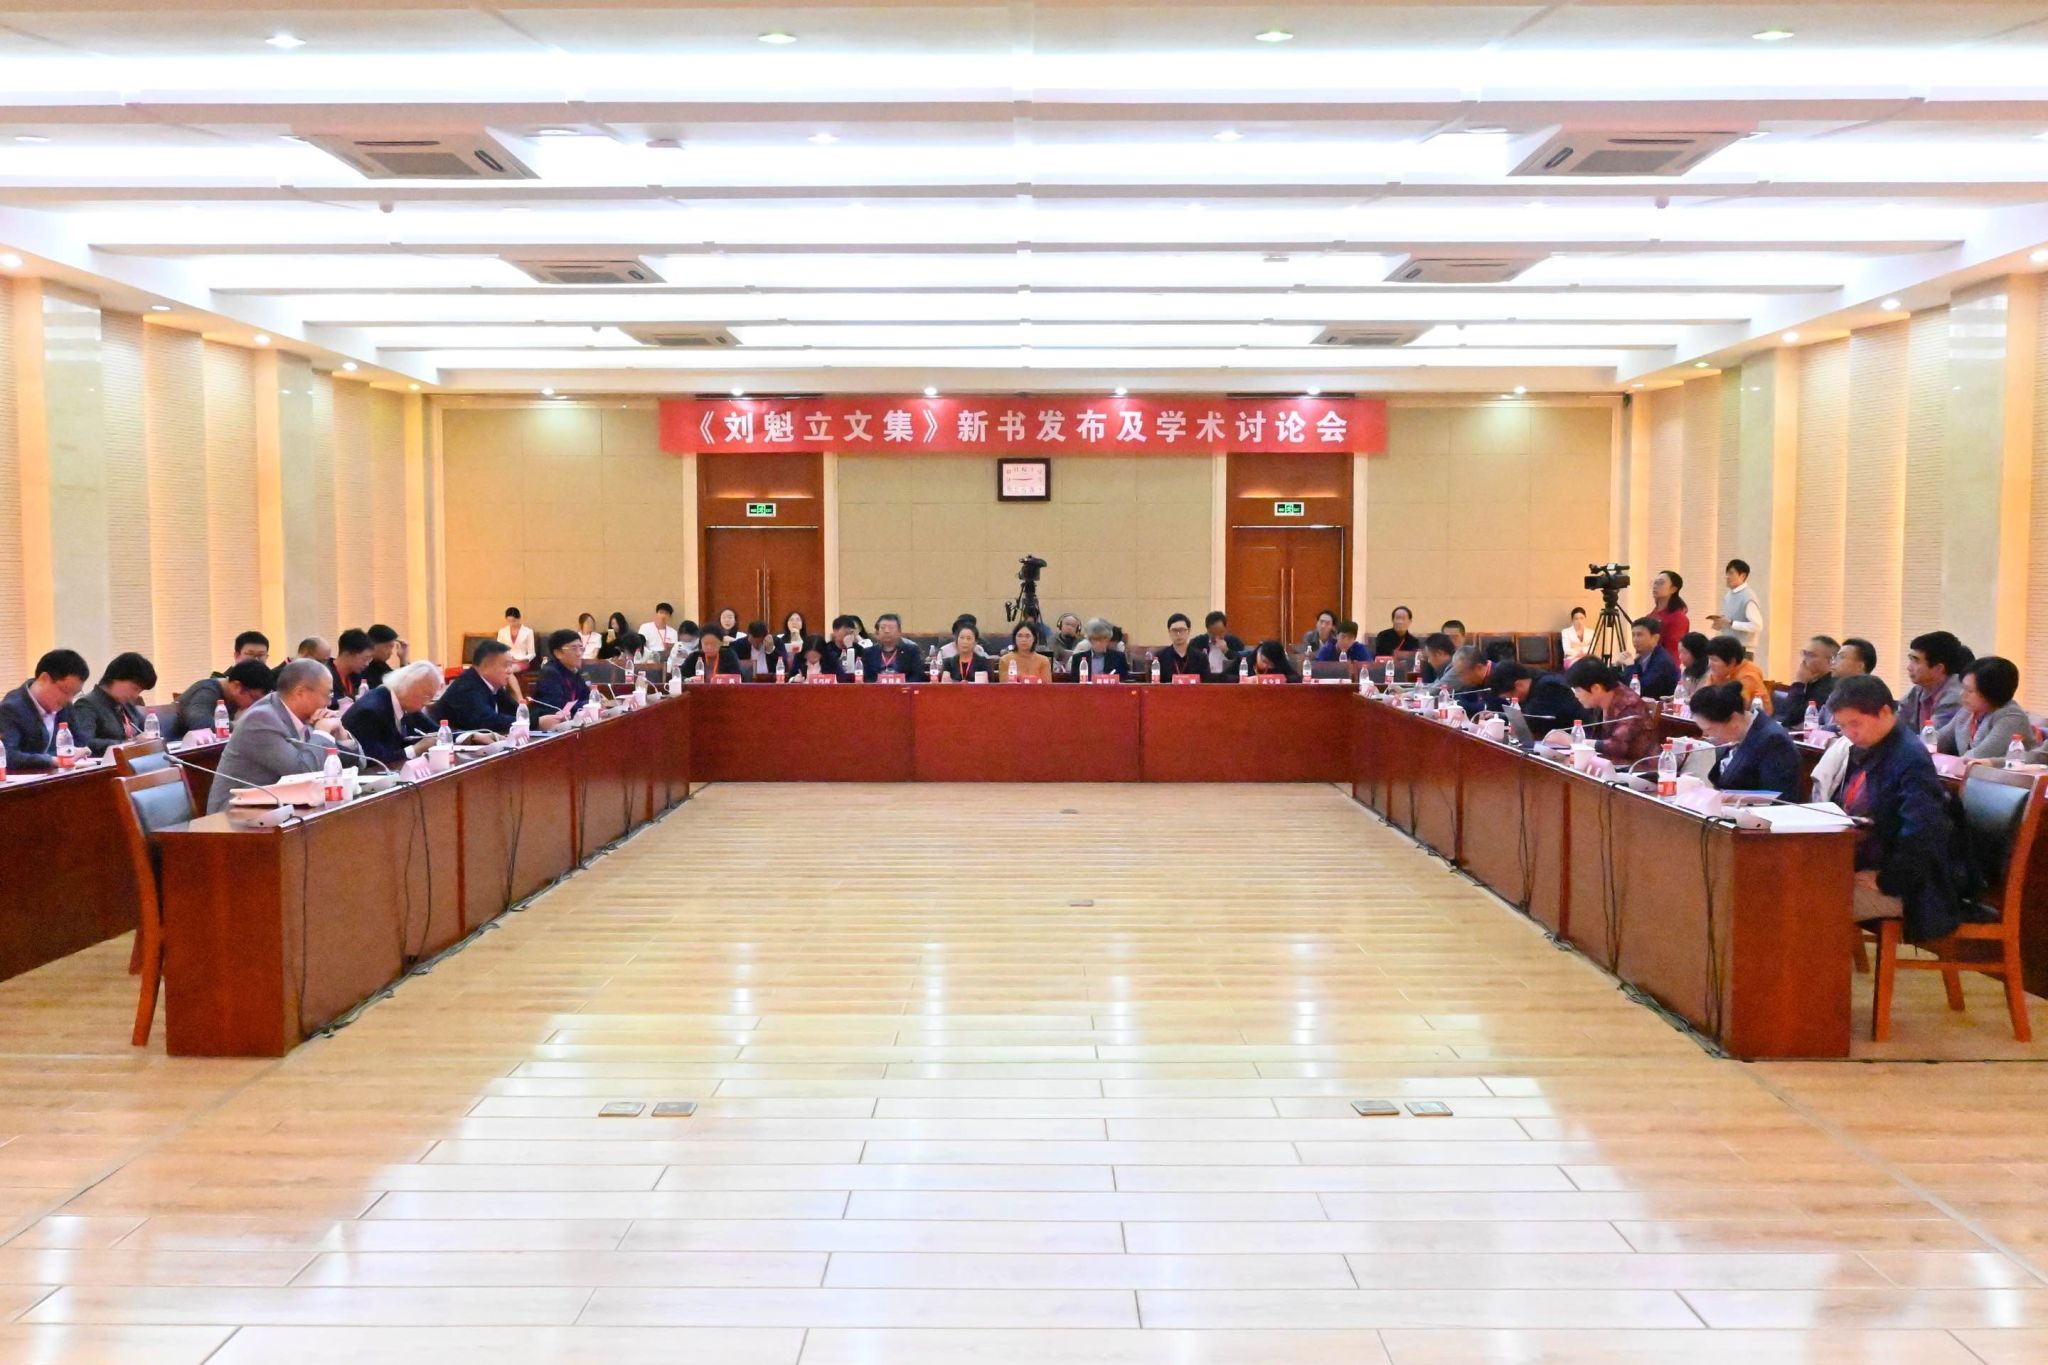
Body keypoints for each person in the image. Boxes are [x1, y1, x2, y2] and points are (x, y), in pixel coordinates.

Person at [1830, 674, 1973, 940]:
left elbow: (1924, 832)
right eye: (1842, 726)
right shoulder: (1873, 748)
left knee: (1809, 903)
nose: (1849, 734)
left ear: (1885, 712)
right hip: (1867, 867)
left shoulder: (1909, 758)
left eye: (1855, 723)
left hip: (1912, 889)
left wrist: (1887, 880)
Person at [205, 659, 364, 814]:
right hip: (234, 816)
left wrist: (342, 736)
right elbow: (304, 774)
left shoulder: (309, 716)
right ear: (300, 693)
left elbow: (360, 764)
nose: (329, 703)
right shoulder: (261, 720)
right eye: (328, 694)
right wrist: (322, 732)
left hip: (279, 808)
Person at [1691, 681, 1802, 798]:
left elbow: (1778, 799)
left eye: (1709, 729)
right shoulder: (1739, 735)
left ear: (1734, 719)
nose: (1706, 735)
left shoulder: (1774, 741)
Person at [0, 649, 90, 771]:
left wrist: (81, 751)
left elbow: (80, 740)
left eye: (74, 694)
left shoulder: (65, 706)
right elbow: (8, 755)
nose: (69, 699)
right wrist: (52, 761)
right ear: (44, 679)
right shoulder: (11, 708)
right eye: (65, 691)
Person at [342, 660, 444, 767]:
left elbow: (437, 731)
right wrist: (416, 749)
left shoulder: (405, 703)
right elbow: (375, 761)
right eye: (427, 696)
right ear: (412, 688)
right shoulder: (370, 711)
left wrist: (453, 737)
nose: (427, 703)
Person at [1934, 656, 2037, 760]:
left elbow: (1978, 757)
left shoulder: (2012, 717)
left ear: (1991, 692)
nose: (1962, 695)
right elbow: (1938, 741)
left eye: (1969, 691)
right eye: (1963, 688)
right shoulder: (1967, 711)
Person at [1560, 658, 1656, 766]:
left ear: (1596, 688)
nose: (1576, 696)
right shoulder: (1600, 702)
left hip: (1637, 768)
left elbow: (1619, 747)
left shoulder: (1629, 705)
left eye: (1578, 690)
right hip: (1610, 766)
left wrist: (1577, 742)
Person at [69, 652, 157, 755]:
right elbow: (85, 743)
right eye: (135, 688)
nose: (135, 696)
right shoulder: (86, 705)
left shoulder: (126, 705)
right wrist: (130, 743)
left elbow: (145, 732)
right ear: (117, 678)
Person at [170, 658, 274, 740]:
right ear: (237, 686)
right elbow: (201, 724)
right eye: (254, 698)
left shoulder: (234, 699)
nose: (255, 705)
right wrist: (238, 726)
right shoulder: (206, 691)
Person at [433, 640, 520, 735]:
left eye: (511, 665)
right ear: (485, 667)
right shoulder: (465, 688)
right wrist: (523, 722)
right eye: (506, 665)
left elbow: (516, 711)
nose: (510, 671)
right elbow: (488, 722)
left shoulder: (494, 685)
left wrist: (527, 719)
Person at [1898, 630, 1970, 734]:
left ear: (1938, 668)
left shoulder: (1955, 696)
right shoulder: (1919, 689)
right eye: (1910, 659)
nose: (1909, 667)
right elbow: (1894, 723)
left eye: (1916, 661)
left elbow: (1931, 737)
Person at [1489, 661, 1584, 739]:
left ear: (1518, 685)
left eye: (1510, 697)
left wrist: (1502, 721)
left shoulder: (1549, 687)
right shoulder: (1533, 682)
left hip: (1575, 739)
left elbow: (1531, 722)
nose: (1511, 701)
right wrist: (1497, 717)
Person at [1775, 635, 1839, 728]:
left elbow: (1791, 718)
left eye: (1811, 655)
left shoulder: (1830, 686)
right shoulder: (1810, 680)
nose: (1804, 659)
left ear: (1830, 661)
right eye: (1804, 653)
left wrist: (1799, 683)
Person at [1706, 558, 1763, 659]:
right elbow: (1730, 621)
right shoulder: (1729, 595)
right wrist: (1721, 624)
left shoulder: (1748, 597)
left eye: (1731, 573)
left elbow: (1757, 626)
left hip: (1743, 650)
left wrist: (1731, 623)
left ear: (1743, 576)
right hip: (1728, 648)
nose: (1727, 577)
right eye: (1727, 573)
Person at [530, 629, 594, 719]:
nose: (579, 653)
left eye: (581, 648)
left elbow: (586, 697)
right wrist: (590, 704)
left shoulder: (577, 672)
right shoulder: (550, 673)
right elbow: (559, 708)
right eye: (574, 648)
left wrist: (595, 701)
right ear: (558, 653)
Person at [1705, 634, 1768, 710]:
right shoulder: (1720, 671)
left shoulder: (1748, 676)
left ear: (1732, 662)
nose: (1709, 664)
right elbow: (1703, 698)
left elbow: (1736, 708)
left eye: (1714, 660)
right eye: (1709, 659)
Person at [1622, 617, 1679, 699]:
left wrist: (1630, 666)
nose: (1635, 639)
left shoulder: (1662, 661)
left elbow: (1642, 691)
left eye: (1639, 635)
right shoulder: (1641, 657)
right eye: (1633, 635)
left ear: (1655, 638)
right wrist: (1616, 665)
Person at [861, 613, 924, 681]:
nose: (887, 631)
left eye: (891, 628)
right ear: (877, 632)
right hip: (876, 687)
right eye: (883, 628)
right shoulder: (868, 652)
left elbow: (918, 675)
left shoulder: (912, 651)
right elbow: (865, 678)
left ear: (899, 632)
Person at [1647, 570, 1690, 656]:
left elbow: (1673, 651)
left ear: (1673, 589)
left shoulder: (1678, 618)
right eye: (1655, 583)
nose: (1655, 586)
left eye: (1661, 583)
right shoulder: (1650, 616)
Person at [1444, 644, 1496, 710]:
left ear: (1478, 668)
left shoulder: (1501, 675)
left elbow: (1492, 708)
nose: (1461, 679)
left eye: (1462, 673)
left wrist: (1461, 705)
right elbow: (1461, 698)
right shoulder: (1474, 681)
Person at [1152, 613, 1203, 681]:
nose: (1178, 634)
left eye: (1182, 630)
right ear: (1169, 632)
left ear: (1189, 631)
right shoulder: (1160, 657)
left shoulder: (1201, 657)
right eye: (1174, 630)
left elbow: (1206, 683)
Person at [331, 628, 376, 703]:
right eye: (365, 659)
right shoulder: (325, 677)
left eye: (369, 660)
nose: (367, 664)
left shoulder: (357, 677)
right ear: (348, 654)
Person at [1198, 611, 1246, 682]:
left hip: (1229, 682)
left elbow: (1244, 662)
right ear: (1207, 630)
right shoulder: (1198, 642)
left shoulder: (1235, 642)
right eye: (1213, 634)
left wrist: (1227, 651)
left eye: (1221, 633)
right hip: (1206, 682)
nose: (1217, 637)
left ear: (1225, 628)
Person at [362, 624, 407, 689]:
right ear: (373, 644)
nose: (391, 653)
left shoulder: (380, 665)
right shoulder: (360, 667)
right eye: (388, 647)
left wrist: (403, 659)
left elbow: (400, 684)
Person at [1674, 631, 1712, 702]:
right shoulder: (1687, 669)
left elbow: (1698, 700)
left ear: (1697, 653)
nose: (1680, 657)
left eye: (1684, 652)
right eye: (1679, 652)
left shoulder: (1710, 673)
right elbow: (1679, 696)